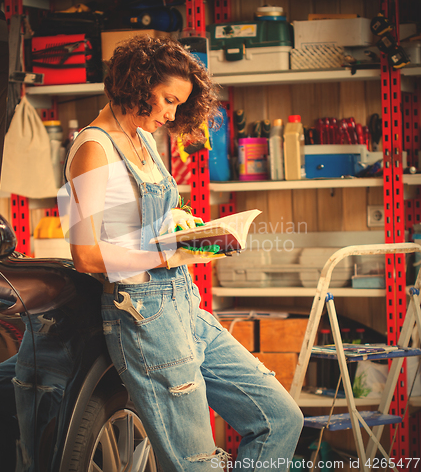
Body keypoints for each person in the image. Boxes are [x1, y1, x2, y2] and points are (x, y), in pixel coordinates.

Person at [62, 35, 303, 472]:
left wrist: (184, 227)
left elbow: (141, 220)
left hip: (184, 303)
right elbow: (87, 256)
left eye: (179, 104)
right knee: (198, 464)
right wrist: (170, 253)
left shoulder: (142, 139)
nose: (172, 115)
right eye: (168, 100)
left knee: (280, 418)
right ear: (137, 84)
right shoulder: (93, 149)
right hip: (144, 317)